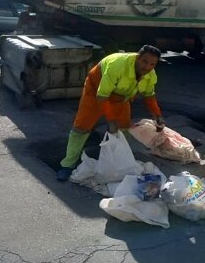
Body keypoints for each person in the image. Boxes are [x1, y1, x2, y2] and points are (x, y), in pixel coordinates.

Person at [57, 45, 165, 181]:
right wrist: (111, 120)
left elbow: (149, 95)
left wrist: (157, 115)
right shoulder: (117, 66)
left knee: (124, 127)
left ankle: (119, 161)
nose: (147, 67)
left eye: (152, 64)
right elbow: (102, 96)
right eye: (145, 62)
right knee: (81, 127)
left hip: (121, 97)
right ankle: (67, 165)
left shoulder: (150, 74)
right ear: (138, 58)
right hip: (96, 90)